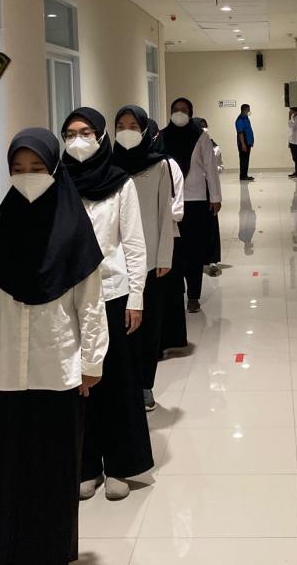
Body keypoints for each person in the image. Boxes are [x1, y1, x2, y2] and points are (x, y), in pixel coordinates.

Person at [0, 129, 107, 565]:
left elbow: (90, 304)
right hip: (3, 367)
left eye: (37, 167)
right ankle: (5, 551)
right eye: (18, 169)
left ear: (55, 169)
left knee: (54, 469)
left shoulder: (74, 231)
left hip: (58, 367)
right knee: (6, 468)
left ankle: (52, 550)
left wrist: (92, 361)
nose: (27, 176)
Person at [61, 107, 152, 502]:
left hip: (113, 294)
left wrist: (137, 297)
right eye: (70, 134)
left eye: (85, 132)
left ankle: (120, 466)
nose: (77, 140)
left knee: (116, 383)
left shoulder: (120, 183)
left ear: (100, 137)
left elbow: (133, 244)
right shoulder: (58, 181)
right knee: (79, 386)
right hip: (68, 299)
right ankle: (85, 466)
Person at [112, 106, 174, 413]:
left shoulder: (159, 165)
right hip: (115, 263)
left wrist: (164, 256)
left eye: (133, 126)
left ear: (144, 129)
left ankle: (145, 384)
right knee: (120, 330)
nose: (126, 131)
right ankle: (122, 387)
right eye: (120, 126)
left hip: (150, 261)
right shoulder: (108, 166)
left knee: (148, 328)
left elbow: (165, 213)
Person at [161, 98, 221, 315]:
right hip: (169, 201)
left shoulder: (200, 136)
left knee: (194, 249)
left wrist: (215, 197)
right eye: (176, 110)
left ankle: (194, 296)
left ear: (191, 113)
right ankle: (177, 292)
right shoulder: (162, 136)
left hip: (195, 199)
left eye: (184, 110)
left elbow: (211, 168)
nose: (179, 113)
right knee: (174, 250)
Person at [192, 117, 222, 278]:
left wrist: (216, 197)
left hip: (208, 190)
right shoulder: (188, 145)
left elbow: (217, 169)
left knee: (211, 225)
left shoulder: (214, 147)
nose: (203, 130)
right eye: (200, 127)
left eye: (205, 126)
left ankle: (212, 260)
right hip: (191, 193)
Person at [235, 103, 255, 181]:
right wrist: (243, 144)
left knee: (246, 159)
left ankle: (245, 175)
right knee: (243, 159)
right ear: (244, 110)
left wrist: (251, 141)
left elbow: (248, 130)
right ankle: (243, 176)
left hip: (248, 142)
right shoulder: (240, 119)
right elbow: (240, 133)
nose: (249, 111)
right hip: (243, 142)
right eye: (248, 110)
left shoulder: (246, 118)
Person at [288, 106, 297, 178]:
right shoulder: (293, 117)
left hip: (296, 141)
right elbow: (290, 129)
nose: (290, 112)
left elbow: (293, 127)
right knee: (294, 158)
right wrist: (289, 141)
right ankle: (296, 171)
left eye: (291, 110)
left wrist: (289, 117)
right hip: (292, 141)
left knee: (296, 158)